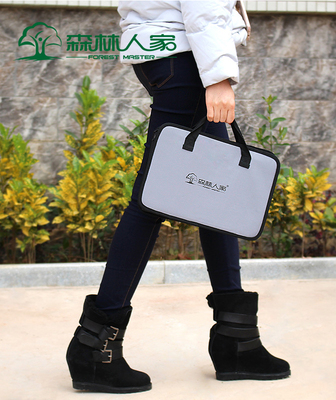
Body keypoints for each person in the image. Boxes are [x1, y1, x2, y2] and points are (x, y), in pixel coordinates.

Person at [66, 1, 290, 394]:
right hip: (184, 55)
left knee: (218, 199)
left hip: (168, 51)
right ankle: (93, 347)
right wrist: (218, 76)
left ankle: (237, 341)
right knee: (153, 199)